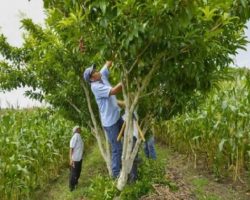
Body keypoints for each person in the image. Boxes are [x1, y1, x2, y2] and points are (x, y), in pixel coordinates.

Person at [83, 61, 123, 178]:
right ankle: (116, 175)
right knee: (116, 148)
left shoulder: (101, 76)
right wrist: (126, 79)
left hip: (116, 116)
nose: (97, 71)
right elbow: (115, 90)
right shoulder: (95, 87)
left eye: (95, 70)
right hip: (110, 123)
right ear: (91, 79)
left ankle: (130, 162)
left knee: (130, 136)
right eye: (94, 72)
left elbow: (108, 63)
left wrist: (114, 55)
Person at [69, 126, 84, 191]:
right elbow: (71, 148)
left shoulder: (79, 136)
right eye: (79, 128)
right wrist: (71, 159)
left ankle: (75, 184)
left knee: (78, 171)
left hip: (79, 158)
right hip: (75, 159)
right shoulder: (75, 136)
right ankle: (71, 187)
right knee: (74, 173)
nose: (80, 129)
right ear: (76, 130)